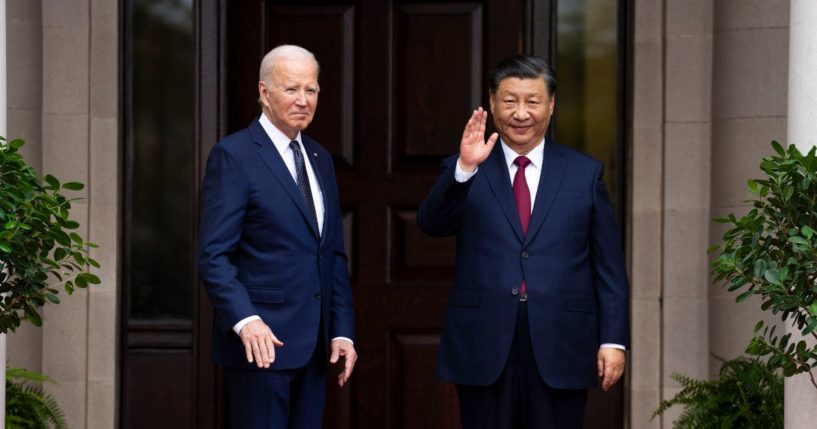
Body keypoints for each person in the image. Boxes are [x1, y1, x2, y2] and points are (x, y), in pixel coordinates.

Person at [417, 55, 629, 429]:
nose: (521, 112)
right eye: (510, 100)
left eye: (532, 101)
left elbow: (608, 267)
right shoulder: (466, 166)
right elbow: (431, 224)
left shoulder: (584, 173)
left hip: (561, 341)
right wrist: (464, 170)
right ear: (492, 102)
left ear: (551, 105)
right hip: (484, 341)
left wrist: (614, 339)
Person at [197, 45, 356, 429]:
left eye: (312, 90)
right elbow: (213, 255)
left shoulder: (320, 158)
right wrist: (245, 320)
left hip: (315, 348)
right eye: (291, 90)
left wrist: (342, 331)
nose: (303, 101)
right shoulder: (234, 155)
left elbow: (331, 253)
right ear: (264, 93)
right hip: (262, 346)